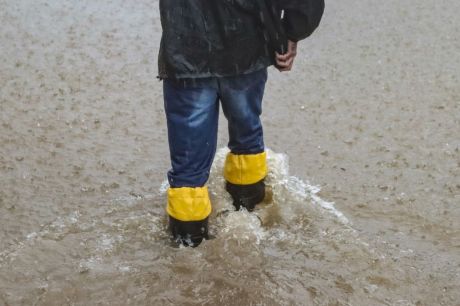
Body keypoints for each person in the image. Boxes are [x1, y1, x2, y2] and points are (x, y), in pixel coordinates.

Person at [158, 0, 324, 247]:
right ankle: (249, 217)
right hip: (246, 48)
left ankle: (187, 249)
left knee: (188, 170)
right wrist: (291, 33)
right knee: (247, 137)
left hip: (186, 52)